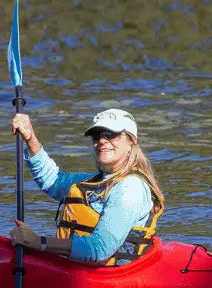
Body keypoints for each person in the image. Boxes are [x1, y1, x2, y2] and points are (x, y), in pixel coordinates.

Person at [9, 107, 164, 265]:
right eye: (97, 136)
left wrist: (38, 242)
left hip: (111, 279)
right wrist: (30, 139)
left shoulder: (130, 188)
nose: (102, 141)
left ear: (131, 140)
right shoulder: (97, 181)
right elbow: (54, 181)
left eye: (110, 134)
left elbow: (99, 249)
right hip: (81, 270)